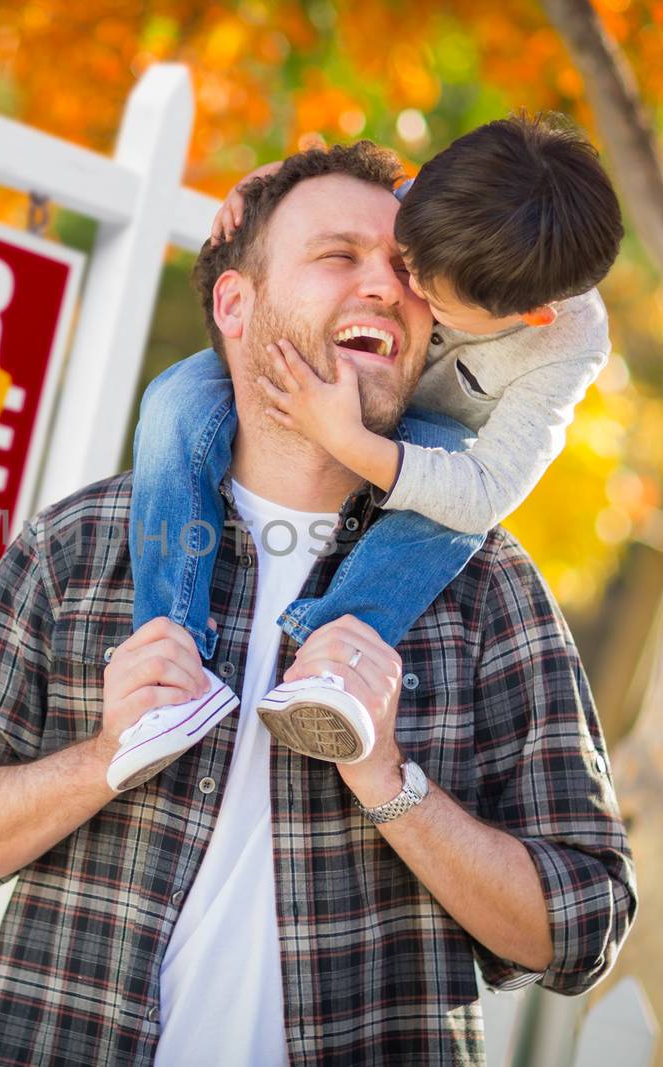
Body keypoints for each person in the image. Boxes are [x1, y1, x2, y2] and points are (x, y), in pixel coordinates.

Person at [0, 141, 635, 1066]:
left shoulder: (488, 589)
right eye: (337, 256)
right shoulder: (78, 547)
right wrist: (104, 759)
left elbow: (582, 924)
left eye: (403, 269)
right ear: (235, 304)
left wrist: (390, 781)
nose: (391, 287)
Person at [114, 113, 621, 792]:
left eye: (426, 289)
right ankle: (168, 656)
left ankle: (335, 657)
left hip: (424, 442)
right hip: (324, 374)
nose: (395, 285)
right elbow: (331, 184)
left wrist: (349, 441)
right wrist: (260, 184)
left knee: (452, 515)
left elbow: (485, 490)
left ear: (530, 316)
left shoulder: (566, 342)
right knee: (174, 399)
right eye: (410, 249)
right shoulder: (443, 200)